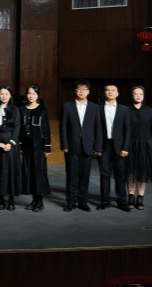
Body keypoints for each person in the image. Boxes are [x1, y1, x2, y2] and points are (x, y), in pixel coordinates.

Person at [59, 79, 102, 212]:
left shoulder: (95, 107)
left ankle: (83, 202)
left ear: (88, 92)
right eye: (79, 89)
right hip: (71, 146)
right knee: (71, 176)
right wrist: (64, 144)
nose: (81, 91)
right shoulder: (67, 106)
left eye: (84, 89)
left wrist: (97, 147)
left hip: (88, 147)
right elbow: (63, 127)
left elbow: (98, 129)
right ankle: (71, 202)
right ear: (75, 91)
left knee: (85, 176)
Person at [126, 86, 152, 210]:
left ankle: (140, 199)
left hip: (145, 146)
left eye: (141, 94)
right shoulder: (126, 110)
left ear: (143, 96)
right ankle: (130, 197)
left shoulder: (149, 111)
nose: (138, 96)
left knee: (143, 173)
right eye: (135, 94)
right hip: (131, 145)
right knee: (131, 173)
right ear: (131, 95)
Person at [98, 84, 132, 212]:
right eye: (107, 90)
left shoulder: (124, 109)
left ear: (117, 94)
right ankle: (104, 201)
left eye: (113, 90)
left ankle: (122, 201)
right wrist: (97, 147)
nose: (110, 92)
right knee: (104, 175)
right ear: (104, 93)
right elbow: (95, 129)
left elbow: (128, 130)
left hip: (120, 147)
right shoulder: (98, 108)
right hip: (104, 146)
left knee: (120, 175)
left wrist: (125, 148)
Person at [20, 84, 51, 212]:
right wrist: (21, 147)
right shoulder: (22, 109)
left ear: (38, 95)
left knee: (39, 173)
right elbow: (20, 131)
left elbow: (46, 129)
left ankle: (39, 201)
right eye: (29, 93)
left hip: (38, 145)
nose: (31, 96)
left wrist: (47, 148)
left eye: (34, 93)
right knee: (29, 172)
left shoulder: (42, 109)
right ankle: (33, 200)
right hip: (27, 146)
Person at [0, 85, 22, 211]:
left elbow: (17, 127)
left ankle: (11, 200)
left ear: (10, 96)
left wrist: (11, 143)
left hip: (11, 144)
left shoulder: (15, 109)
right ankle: (1, 199)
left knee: (11, 172)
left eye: (6, 94)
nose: (4, 96)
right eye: (2, 94)